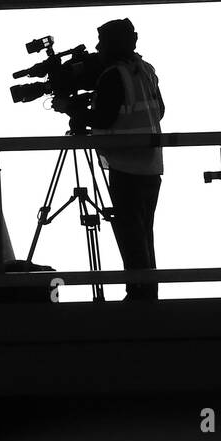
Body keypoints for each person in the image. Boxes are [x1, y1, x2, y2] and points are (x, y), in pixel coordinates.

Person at [80, 18, 165, 301]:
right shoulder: (146, 70)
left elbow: (104, 118)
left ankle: (138, 293)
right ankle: (147, 290)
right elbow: (160, 110)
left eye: (102, 42)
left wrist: (74, 111)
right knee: (144, 231)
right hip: (150, 165)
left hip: (125, 165)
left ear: (112, 45)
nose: (97, 47)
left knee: (131, 233)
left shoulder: (113, 76)